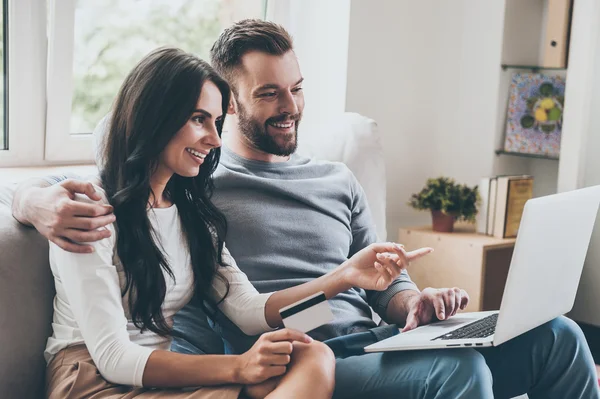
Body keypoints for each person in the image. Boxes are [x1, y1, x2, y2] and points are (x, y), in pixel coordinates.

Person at [13, 20, 600, 399]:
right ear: (228, 98)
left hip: (367, 339)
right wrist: (33, 199)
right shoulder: (198, 177)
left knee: (560, 336)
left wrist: (411, 301)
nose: (289, 106)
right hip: (278, 355)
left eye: (296, 88)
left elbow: (387, 286)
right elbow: (111, 154)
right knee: (460, 375)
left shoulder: (328, 179)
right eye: (268, 93)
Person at [34, 46, 433, 399]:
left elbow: (247, 306)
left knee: (314, 356)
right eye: (197, 119)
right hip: (94, 376)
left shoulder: (194, 213)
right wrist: (241, 366)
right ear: (155, 118)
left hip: (174, 369)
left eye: (214, 122)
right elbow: (115, 357)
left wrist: (344, 276)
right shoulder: (87, 212)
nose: (214, 139)